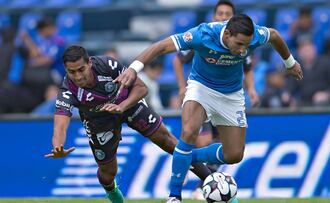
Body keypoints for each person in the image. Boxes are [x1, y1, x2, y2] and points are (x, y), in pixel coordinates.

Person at [115, 14, 303, 203]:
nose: (243, 50)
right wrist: (132, 69)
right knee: (188, 133)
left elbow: (275, 35)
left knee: (234, 154)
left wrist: (290, 63)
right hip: (201, 87)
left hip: (231, 95)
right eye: (239, 44)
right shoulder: (202, 35)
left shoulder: (255, 35)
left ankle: (186, 159)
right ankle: (174, 196)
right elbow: (161, 46)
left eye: (246, 45)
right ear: (227, 33)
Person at [44, 45, 212, 203]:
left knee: (169, 142)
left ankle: (212, 180)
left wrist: (121, 106)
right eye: (72, 72)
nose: (78, 76)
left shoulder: (107, 65)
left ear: (90, 63)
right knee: (108, 174)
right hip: (98, 122)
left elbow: (141, 88)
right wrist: (58, 146)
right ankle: (112, 192)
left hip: (128, 104)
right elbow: (60, 123)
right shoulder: (67, 90)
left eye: (81, 69)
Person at [172, 1, 256, 200]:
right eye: (220, 13)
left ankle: (193, 170)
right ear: (214, 15)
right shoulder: (204, 38)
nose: (222, 16)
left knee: (227, 148)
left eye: (227, 13)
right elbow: (178, 59)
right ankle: (192, 185)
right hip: (203, 94)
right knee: (200, 137)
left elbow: (248, 68)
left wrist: (252, 89)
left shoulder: (240, 43)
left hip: (227, 98)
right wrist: (182, 87)